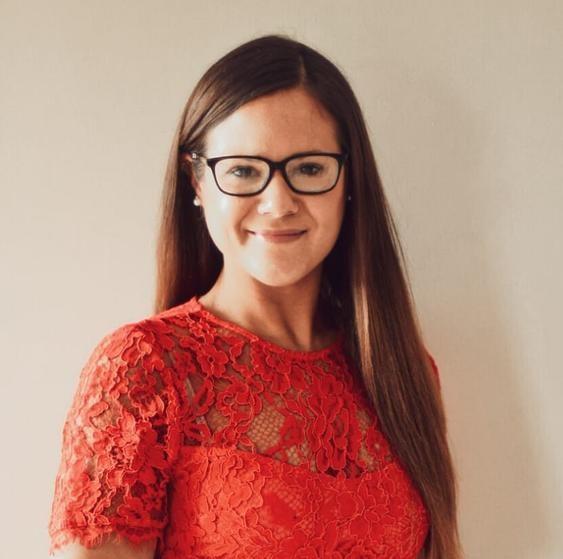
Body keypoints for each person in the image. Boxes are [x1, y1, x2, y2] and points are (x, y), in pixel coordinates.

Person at [47, 35, 463, 559]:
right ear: (196, 182)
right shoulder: (145, 369)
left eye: (309, 168)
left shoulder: (404, 371)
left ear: (349, 179)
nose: (278, 203)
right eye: (243, 170)